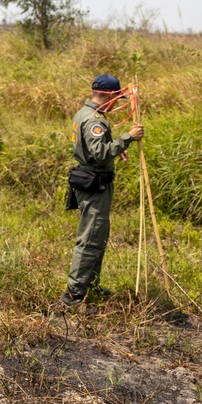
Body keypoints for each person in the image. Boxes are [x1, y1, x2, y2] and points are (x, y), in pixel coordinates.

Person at [62, 74, 145, 306]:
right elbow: (99, 152)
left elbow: (93, 148)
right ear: (109, 95)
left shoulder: (84, 114)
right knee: (90, 238)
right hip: (94, 183)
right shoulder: (94, 120)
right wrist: (127, 138)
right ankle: (74, 294)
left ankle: (90, 285)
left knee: (98, 236)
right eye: (118, 97)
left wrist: (116, 149)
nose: (119, 102)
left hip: (92, 176)